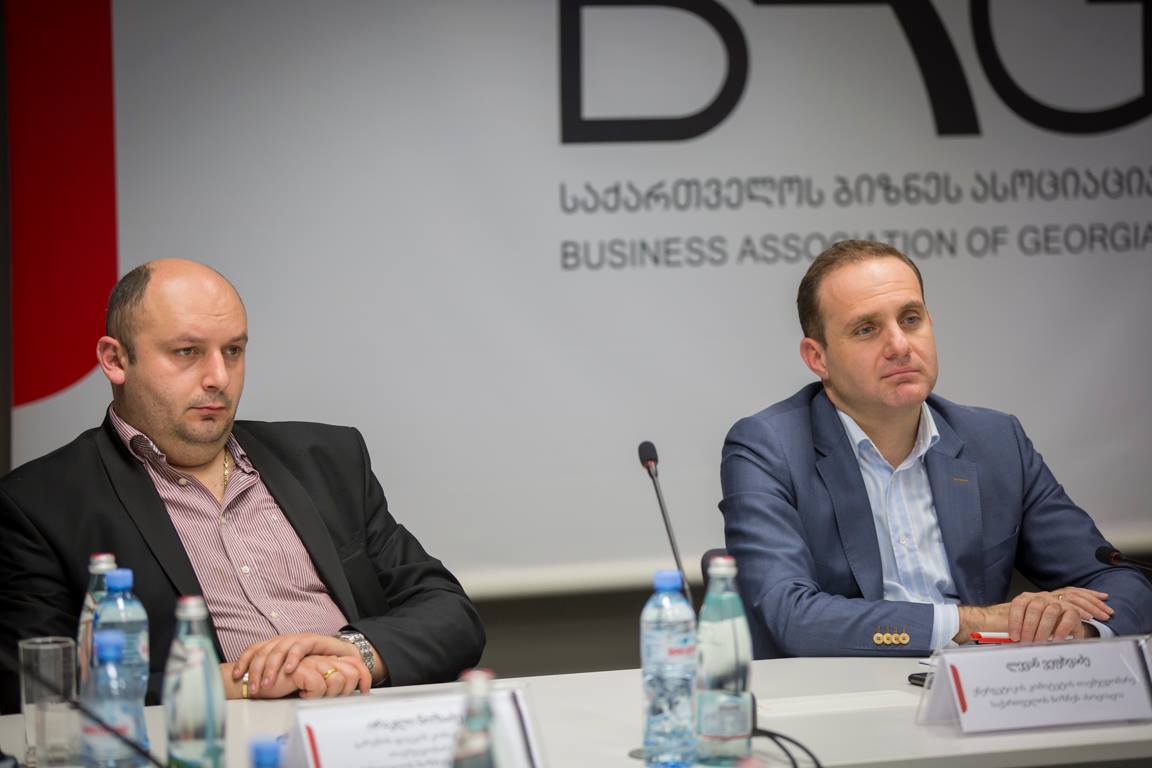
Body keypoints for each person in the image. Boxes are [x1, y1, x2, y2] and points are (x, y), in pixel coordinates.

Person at [0, 260, 484, 713]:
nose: (219, 377)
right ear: (115, 360)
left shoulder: (327, 459)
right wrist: (243, 682)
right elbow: (38, 684)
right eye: (187, 352)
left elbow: (450, 612)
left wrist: (353, 651)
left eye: (233, 351)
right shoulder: (40, 504)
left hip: (368, 723)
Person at [720, 240, 1152, 658]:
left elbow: (1119, 581)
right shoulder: (768, 448)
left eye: (910, 319)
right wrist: (977, 621)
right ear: (818, 358)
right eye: (866, 329)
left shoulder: (996, 441)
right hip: (846, 690)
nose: (900, 346)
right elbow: (792, 617)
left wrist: (1072, 624)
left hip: (985, 690)